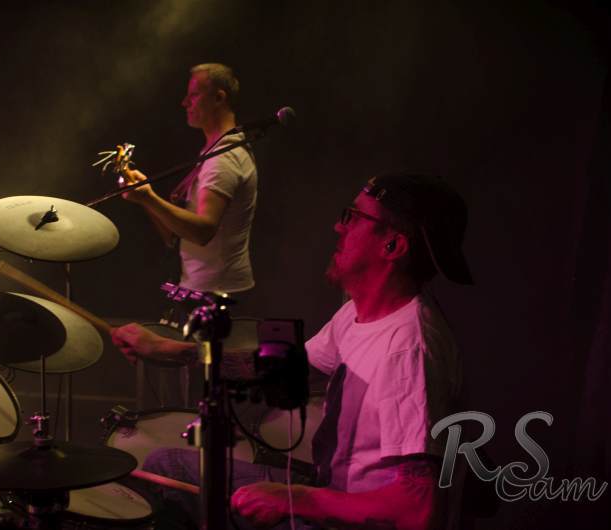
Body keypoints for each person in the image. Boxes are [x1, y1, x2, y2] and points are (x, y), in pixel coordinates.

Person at [111, 173, 473, 529]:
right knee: (166, 467)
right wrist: (173, 351)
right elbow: (288, 369)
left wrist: (295, 499)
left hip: (352, 520)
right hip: (329, 491)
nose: (338, 227)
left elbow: (419, 511)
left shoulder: (408, 351)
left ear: (392, 245)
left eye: (353, 217)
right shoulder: (358, 313)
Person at [122, 63, 258, 297]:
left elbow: (202, 232)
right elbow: (176, 237)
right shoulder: (215, 151)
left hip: (218, 294)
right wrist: (144, 199)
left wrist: (149, 198)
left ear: (219, 98)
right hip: (205, 288)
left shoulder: (224, 158)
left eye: (194, 95)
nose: (184, 102)